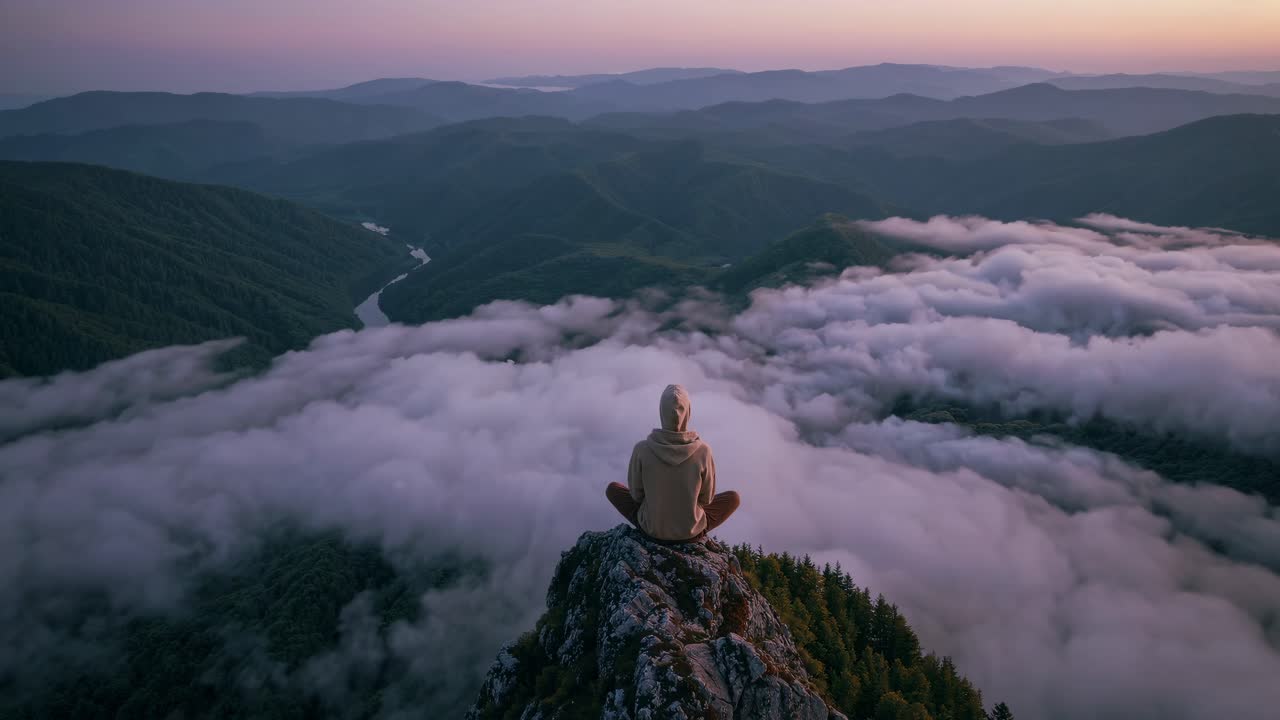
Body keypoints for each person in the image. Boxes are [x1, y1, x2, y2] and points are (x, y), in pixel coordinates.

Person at [607, 384, 740, 542]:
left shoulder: (642, 449)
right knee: (733, 498)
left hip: (651, 529)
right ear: (688, 412)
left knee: (613, 489)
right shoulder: (703, 451)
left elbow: (636, 496)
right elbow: (706, 500)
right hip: (690, 532)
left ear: (661, 411)